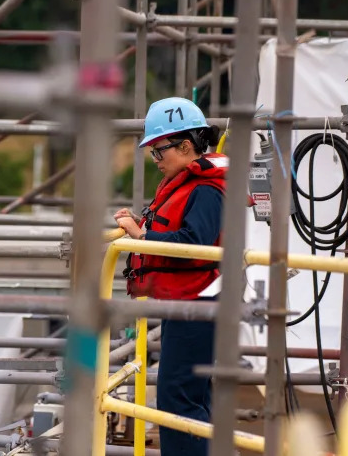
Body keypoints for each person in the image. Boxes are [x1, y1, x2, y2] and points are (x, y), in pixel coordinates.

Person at [114, 97, 226, 456]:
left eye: (159, 152)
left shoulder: (206, 189)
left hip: (199, 305)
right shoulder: (192, 184)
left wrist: (142, 236)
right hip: (191, 303)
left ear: (187, 146)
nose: (156, 160)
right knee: (190, 395)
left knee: (178, 399)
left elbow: (196, 242)